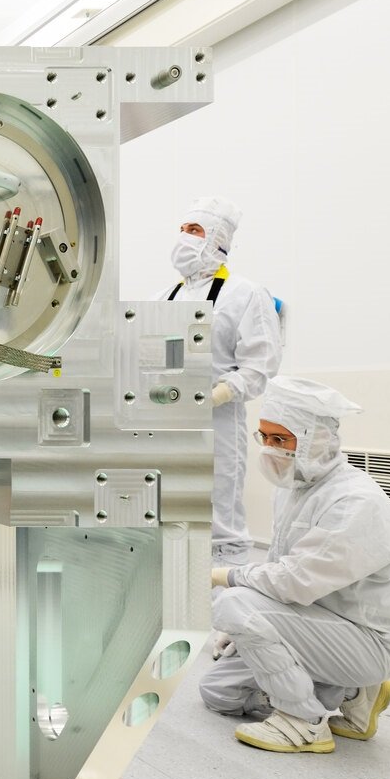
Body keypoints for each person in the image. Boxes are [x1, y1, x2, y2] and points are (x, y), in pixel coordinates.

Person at [199, 377, 390, 753]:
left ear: (315, 440)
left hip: (366, 640)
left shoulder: (355, 502)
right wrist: (251, 629)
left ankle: (303, 722)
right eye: (264, 436)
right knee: (218, 692)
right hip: (317, 626)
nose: (269, 449)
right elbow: (279, 565)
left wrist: (229, 580)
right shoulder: (293, 490)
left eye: (280, 439)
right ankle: (353, 693)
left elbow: (294, 581)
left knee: (233, 602)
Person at [154, 197, 282, 566]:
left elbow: (260, 365)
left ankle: (223, 595)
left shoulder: (246, 294)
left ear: (217, 240)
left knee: (218, 519)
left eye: (194, 230)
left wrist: (217, 394)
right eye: (182, 229)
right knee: (167, 512)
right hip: (165, 423)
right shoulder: (163, 297)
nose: (184, 237)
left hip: (218, 427)